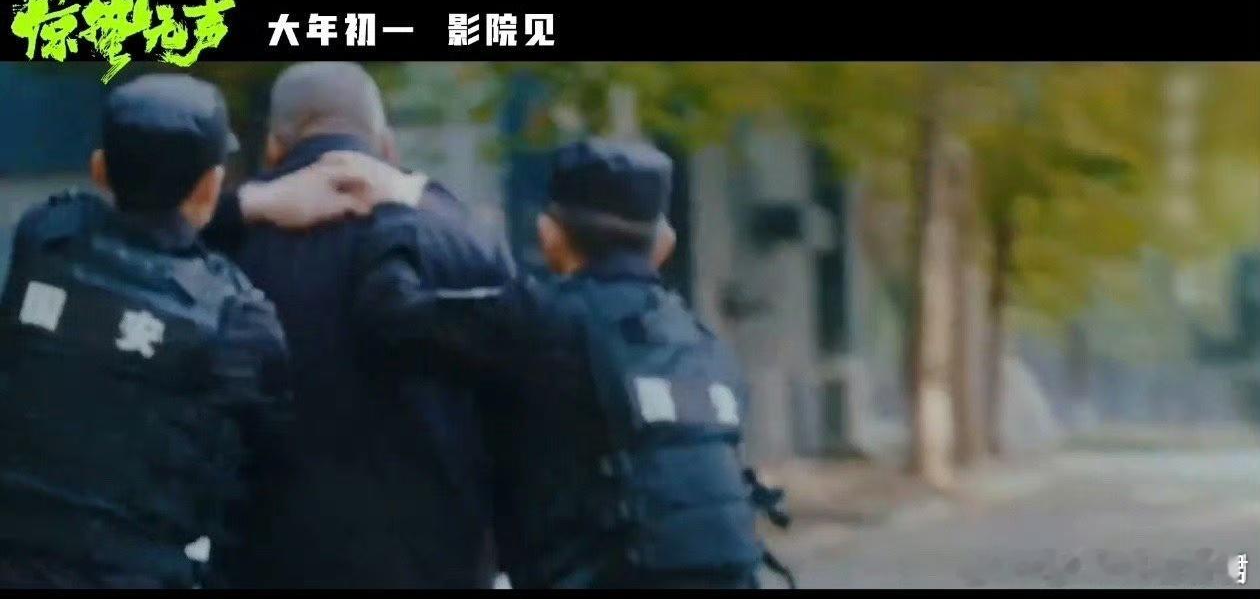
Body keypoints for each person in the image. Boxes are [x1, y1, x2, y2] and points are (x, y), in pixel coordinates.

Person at [337, 138, 793, 588]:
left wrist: (396, 210)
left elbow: (388, 317)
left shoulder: (540, 321)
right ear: (663, 244)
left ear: (549, 235)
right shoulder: (706, 347)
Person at [196, 62, 511, 588]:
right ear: (388, 147)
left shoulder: (227, 241)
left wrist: (241, 205)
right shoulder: (460, 238)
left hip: (266, 559)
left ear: (273, 147)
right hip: (434, 560)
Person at [0, 75, 290, 589]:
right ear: (211, 186)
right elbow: (268, 475)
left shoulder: (43, 239)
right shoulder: (238, 321)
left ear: (99, 169)